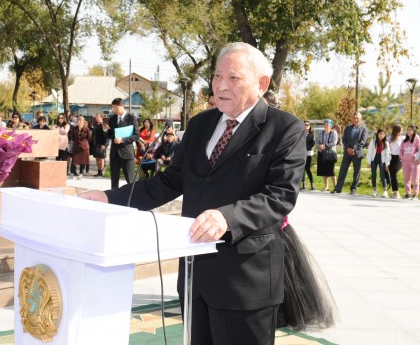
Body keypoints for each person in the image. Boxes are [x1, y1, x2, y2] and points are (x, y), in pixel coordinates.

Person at [81, 42, 306, 344]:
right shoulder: (200, 125)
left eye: (233, 78)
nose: (221, 86)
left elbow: (280, 195)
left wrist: (227, 217)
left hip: (246, 280)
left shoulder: (284, 128)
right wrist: (111, 198)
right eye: (217, 76)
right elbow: (170, 182)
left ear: (261, 84)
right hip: (195, 277)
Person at [103, 98, 139, 190]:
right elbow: (110, 135)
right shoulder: (112, 119)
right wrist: (106, 130)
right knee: (114, 181)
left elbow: (136, 136)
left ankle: (133, 197)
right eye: (113, 108)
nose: (114, 110)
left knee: (130, 180)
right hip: (114, 153)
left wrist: (122, 140)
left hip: (126, 153)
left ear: (122, 106)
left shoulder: (132, 118)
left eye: (116, 107)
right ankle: (114, 197)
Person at [334, 112, 367, 195]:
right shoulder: (347, 128)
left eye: (357, 118)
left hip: (357, 153)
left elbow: (362, 142)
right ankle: (338, 188)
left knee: (356, 172)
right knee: (342, 170)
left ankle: (353, 189)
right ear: (352, 119)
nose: (355, 120)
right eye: (354, 118)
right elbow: (344, 139)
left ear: (360, 119)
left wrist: (353, 149)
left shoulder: (363, 130)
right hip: (347, 153)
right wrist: (348, 148)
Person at [399, 125, 420, 200]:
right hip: (405, 162)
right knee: (406, 178)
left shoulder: (417, 140)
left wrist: (414, 156)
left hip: (414, 162)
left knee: (415, 179)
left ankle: (415, 194)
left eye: (410, 130)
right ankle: (407, 193)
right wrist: (402, 156)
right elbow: (401, 150)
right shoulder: (404, 140)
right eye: (407, 130)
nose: (408, 131)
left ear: (414, 131)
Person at [366, 128, 390, 198]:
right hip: (374, 159)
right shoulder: (373, 141)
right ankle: (374, 190)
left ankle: (385, 191)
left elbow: (388, 154)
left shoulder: (386, 143)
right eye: (380, 134)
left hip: (382, 160)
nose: (381, 135)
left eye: (383, 134)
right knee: (373, 175)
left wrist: (387, 164)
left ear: (385, 135)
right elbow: (369, 151)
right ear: (377, 134)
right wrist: (368, 162)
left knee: (382, 175)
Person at [316, 119, 338, 192]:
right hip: (321, 153)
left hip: (330, 153)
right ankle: (326, 186)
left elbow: (334, 142)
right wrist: (319, 146)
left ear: (330, 125)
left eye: (327, 124)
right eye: (324, 124)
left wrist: (325, 145)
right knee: (323, 170)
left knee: (331, 170)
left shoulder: (333, 132)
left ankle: (335, 186)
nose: (325, 126)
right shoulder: (320, 132)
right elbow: (317, 142)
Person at [386, 125, 404, 198]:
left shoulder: (403, 138)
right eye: (401, 131)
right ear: (396, 131)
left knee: (394, 172)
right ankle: (394, 191)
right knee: (391, 174)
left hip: (398, 158)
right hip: (390, 157)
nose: (402, 132)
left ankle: (396, 192)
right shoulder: (389, 138)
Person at [91, 113, 108, 177]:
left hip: (101, 144)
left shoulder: (104, 124)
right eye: (96, 116)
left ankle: (101, 172)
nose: (96, 117)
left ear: (101, 117)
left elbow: (105, 135)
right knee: (97, 158)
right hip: (96, 143)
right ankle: (98, 171)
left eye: (97, 116)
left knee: (101, 158)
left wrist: (104, 144)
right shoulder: (96, 125)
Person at [302, 121, 315, 191]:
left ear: (310, 126)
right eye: (305, 125)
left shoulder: (312, 134)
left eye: (308, 125)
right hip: (301, 153)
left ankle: (312, 184)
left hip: (309, 153)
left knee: (307, 168)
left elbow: (313, 143)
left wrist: (306, 148)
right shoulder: (301, 133)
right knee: (302, 169)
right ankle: (303, 184)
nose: (306, 126)